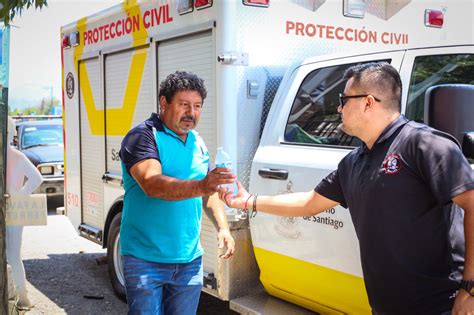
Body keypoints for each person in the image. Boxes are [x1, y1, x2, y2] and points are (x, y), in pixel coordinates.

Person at [221, 63, 474, 315]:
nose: (339, 108)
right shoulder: (354, 162)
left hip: (441, 304)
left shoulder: (425, 144)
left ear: (368, 102)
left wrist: (470, 289)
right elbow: (309, 203)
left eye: (344, 99)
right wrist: (248, 201)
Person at [119, 70, 236, 315]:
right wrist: (203, 185)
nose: (191, 113)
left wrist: (223, 228)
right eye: (184, 105)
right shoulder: (142, 137)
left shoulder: (197, 141)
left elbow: (208, 191)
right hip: (145, 260)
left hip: (189, 261)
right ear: (164, 103)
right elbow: (152, 184)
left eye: (197, 106)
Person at [6, 117, 43, 309]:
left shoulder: (17, 156)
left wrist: (19, 195)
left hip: (14, 210)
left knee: (12, 254)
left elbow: (37, 178)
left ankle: (22, 297)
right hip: (8, 208)